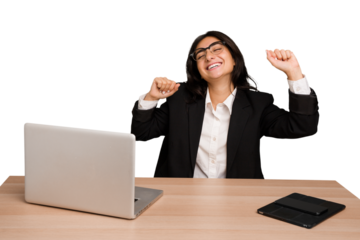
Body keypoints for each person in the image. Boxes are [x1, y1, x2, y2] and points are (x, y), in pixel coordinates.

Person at [130, 28, 319, 179]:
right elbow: (142, 134)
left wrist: (294, 73)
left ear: (236, 59)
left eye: (216, 49)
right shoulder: (179, 99)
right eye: (200, 54)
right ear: (197, 69)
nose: (209, 57)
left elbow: (302, 128)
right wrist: (151, 98)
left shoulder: (259, 103)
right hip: (179, 200)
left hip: (238, 203)